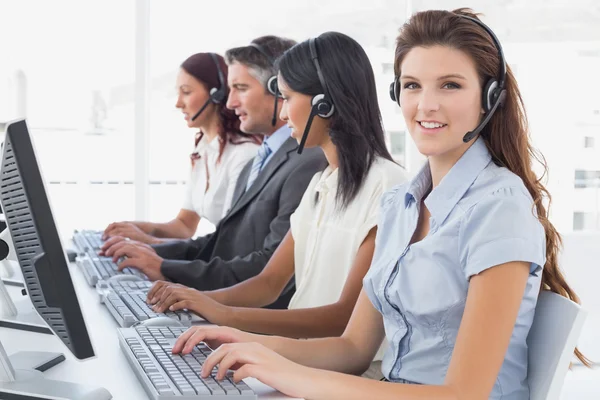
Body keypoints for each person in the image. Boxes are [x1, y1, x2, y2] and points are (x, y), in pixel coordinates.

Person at [168, 9, 590, 399]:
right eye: (411, 86)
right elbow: (353, 348)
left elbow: (463, 395)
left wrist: (287, 374)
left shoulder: (500, 209)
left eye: (451, 85)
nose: (426, 104)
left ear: (489, 96)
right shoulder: (400, 204)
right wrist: (241, 342)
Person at [145, 33, 407, 353]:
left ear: (325, 103)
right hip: (296, 359)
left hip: (342, 373)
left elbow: (346, 317)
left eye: (289, 98)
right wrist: (194, 300)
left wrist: (224, 316)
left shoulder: (386, 185)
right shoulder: (322, 182)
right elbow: (268, 284)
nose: (282, 114)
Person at [101, 35, 327, 309]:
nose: (229, 103)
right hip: (229, 305)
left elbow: (266, 267)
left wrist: (168, 270)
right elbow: (221, 242)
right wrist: (155, 256)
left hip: (253, 317)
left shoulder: (307, 163)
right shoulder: (261, 160)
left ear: (278, 89)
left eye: (241, 88)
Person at [102, 52, 260, 244]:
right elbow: (184, 225)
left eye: (186, 92)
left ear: (216, 94)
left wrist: (147, 244)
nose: (178, 103)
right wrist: (134, 228)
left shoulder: (243, 155)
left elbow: (228, 242)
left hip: (224, 266)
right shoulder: (204, 149)